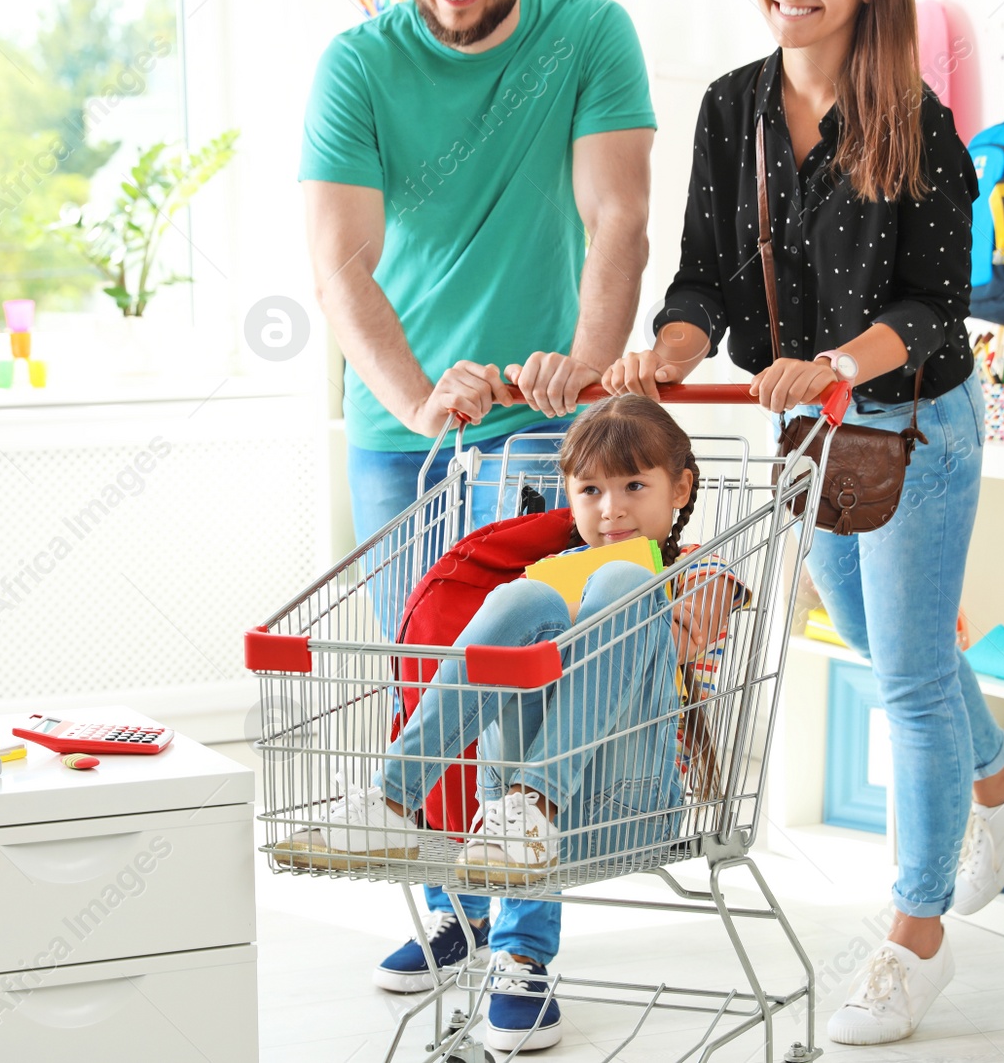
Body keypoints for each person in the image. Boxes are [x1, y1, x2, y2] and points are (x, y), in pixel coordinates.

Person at [601, 0, 1004, 1047]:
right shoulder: (731, 110)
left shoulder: (914, 117)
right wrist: (669, 349)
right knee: (860, 631)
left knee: (904, 674)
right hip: (811, 429)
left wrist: (841, 362)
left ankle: (914, 935)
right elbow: (703, 280)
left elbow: (939, 304)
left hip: (912, 422)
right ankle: (999, 779)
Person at [300, 0, 658, 996]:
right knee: (436, 681)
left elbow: (616, 215)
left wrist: (585, 376)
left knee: (526, 678)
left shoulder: (587, 31)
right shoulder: (358, 63)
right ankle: (455, 912)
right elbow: (339, 259)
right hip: (402, 428)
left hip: (542, 421)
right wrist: (417, 399)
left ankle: (522, 949)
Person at [277, 395, 747, 1052]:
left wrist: (677, 587)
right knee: (520, 596)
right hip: (521, 819)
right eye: (591, 490)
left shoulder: (701, 565)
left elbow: (704, 608)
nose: (610, 508)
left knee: (619, 582)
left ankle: (526, 846)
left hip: (629, 799)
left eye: (634, 486)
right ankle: (395, 801)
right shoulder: (554, 576)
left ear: (681, 488)